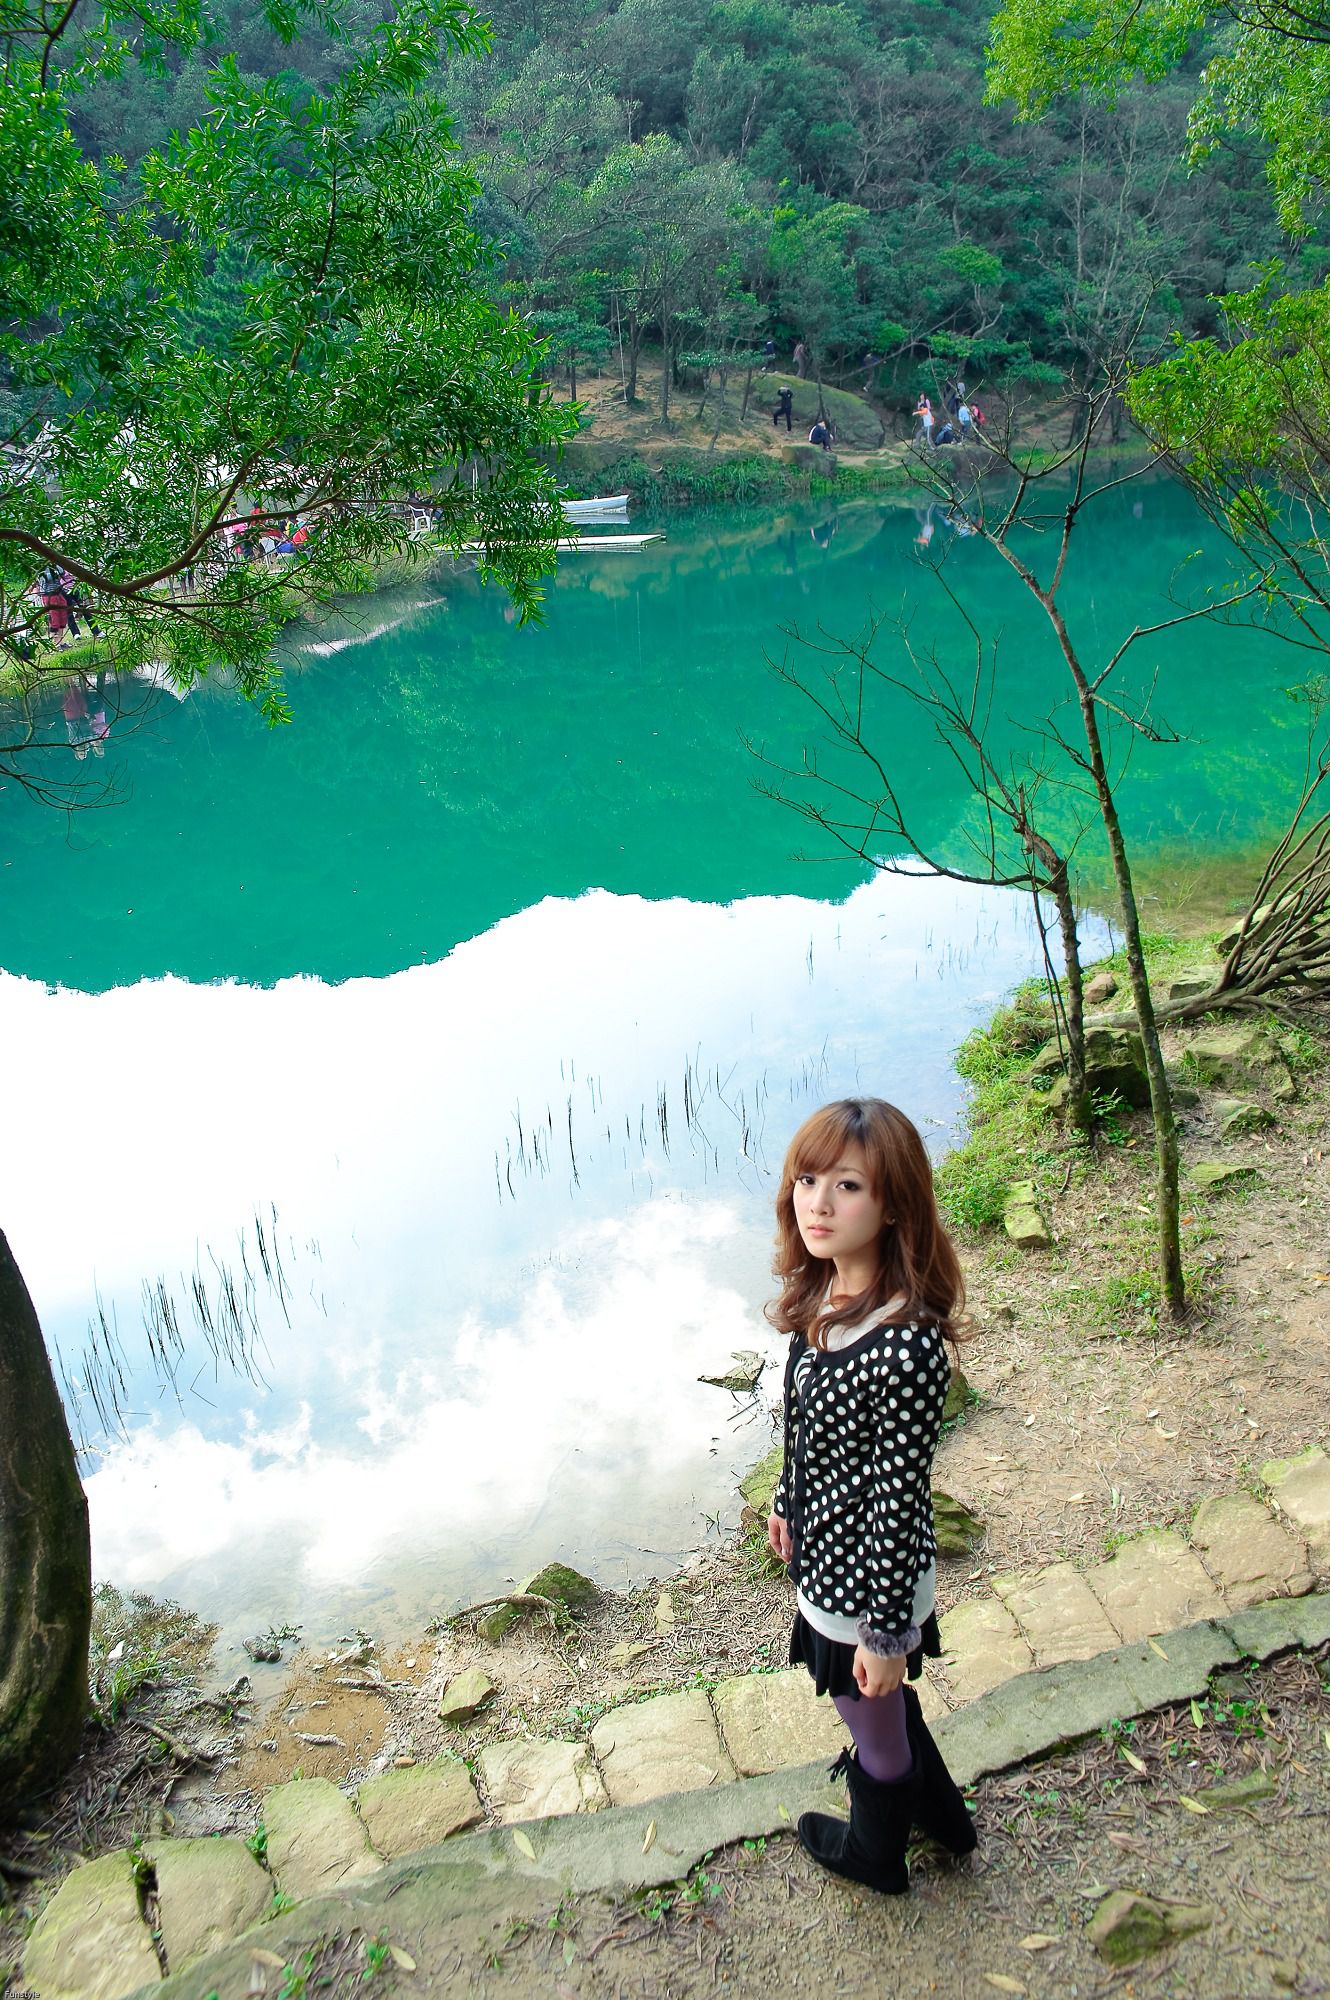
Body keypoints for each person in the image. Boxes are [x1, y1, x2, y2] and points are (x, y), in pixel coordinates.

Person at [766, 1097, 977, 1895]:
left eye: (848, 1186)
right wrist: (788, 1498)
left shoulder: (908, 1342)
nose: (818, 1202)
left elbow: (899, 1496)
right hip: (827, 1551)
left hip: (869, 1581)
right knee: (881, 1712)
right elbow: (803, 1429)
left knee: (868, 1719)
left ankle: (875, 1855)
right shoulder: (823, 1298)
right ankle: (946, 1823)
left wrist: (887, 1636)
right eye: (808, 1179)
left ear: (893, 1206)